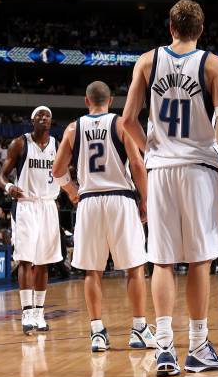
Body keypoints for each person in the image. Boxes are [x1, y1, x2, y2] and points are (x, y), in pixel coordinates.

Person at [122, 0, 218, 377]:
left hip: (160, 170)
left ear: (169, 27)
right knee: (200, 259)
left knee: (163, 260)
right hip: (201, 170)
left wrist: (151, 149)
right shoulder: (215, 65)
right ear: (201, 30)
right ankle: (199, 346)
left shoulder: (145, 62)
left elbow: (127, 120)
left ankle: (165, 348)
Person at [52, 81, 156, 352]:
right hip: (120, 199)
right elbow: (136, 164)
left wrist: (72, 192)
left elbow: (57, 170)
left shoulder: (73, 129)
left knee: (92, 271)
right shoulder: (121, 124)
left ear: (87, 101)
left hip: (89, 202)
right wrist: (145, 200)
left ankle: (97, 332)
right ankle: (139, 329)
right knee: (134, 268)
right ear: (110, 100)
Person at [0, 106, 61, 335]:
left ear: (51, 121)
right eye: (39, 116)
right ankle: (26, 312)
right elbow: (1, 175)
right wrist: (8, 187)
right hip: (25, 205)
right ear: (32, 121)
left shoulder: (58, 145)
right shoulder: (20, 143)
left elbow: (63, 175)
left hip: (48, 205)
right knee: (25, 259)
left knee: (44, 262)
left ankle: (39, 313)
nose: (44, 118)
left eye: (47, 116)